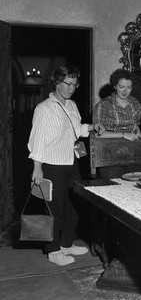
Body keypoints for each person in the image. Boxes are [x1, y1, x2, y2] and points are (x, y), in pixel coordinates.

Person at [28, 65, 94, 266]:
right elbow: (36, 140)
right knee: (54, 210)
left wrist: (90, 127)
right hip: (51, 164)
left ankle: (66, 243)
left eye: (75, 84)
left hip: (71, 162)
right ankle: (53, 251)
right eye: (67, 83)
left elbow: (76, 130)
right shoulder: (44, 109)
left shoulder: (72, 105)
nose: (71, 88)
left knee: (72, 207)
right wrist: (37, 167)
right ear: (56, 82)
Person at [92, 68, 141, 178]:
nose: (125, 91)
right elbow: (98, 134)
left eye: (128, 87)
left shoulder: (135, 103)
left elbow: (135, 127)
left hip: (132, 154)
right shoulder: (104, 105)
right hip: (109, 156)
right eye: (121, 87)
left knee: (135, 188)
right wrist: (124, 135)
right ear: (115, 86)